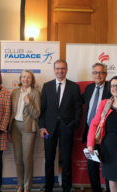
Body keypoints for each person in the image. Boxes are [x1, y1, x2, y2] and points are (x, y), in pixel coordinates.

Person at [39, 60, 82, 192]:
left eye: (62, 68)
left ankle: (66, 187)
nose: (60, 71)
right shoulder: (46, 86)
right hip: (49, 129)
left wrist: (73, 125)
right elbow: (42, 108)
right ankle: (49, 186)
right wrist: (42, 127)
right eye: (57, 68)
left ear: (66, 69)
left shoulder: (74, 87)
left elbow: (78, 108)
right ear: (54, 69)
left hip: (67, 128)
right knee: (49, 159)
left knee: (67, 159)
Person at [87, 76, 117, 192]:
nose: (115, 88)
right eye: (113, 85)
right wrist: (90, 144)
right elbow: (94, 123)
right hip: (107, 147)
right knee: (111, 179)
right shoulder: (105, 103)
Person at [81, 63, 111, 192]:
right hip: (90, 133)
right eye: (95, 72)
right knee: (91, 165)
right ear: (92, 74)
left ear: (106, 74)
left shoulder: (112, 88)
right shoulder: (88, 88)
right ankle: (96, 190)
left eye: (101, 72)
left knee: (109, 165)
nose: (98, 75)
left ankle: (111, 189)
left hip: (106, 134)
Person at [9, 70, 41, 192]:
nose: (25, 79)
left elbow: (36, 114)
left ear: (32, 80)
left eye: (28, 77)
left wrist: (29, 103)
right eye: (23, 77)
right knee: (18, 158)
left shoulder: (35, 93)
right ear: (20, 78)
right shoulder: (15, 92)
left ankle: (28, 186)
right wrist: (8, 130)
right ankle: (20, 185)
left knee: (27, 158)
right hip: (15, 128)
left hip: (29, 128)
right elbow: (11, 112)